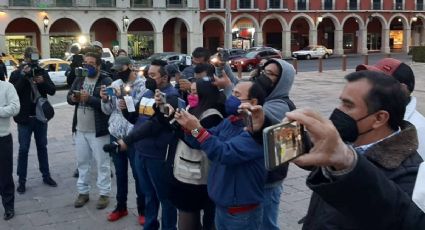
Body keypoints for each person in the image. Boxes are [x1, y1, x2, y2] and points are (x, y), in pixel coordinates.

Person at [299, 70, 422, 229]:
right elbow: (316, 158)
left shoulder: (410, 177)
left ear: (379, 118)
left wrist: (347, 163)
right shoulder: (349, 141)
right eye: (341, 102)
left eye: (348, 105)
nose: (338, 110)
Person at [174, 81, 268, 230]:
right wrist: (188, 128)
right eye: (232, 93)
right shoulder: (231, 121)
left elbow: (224, 152)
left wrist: (197, 129)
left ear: (253, 102)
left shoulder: (256, 134)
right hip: (223, 205)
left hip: (240, 212)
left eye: (237, 95)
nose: (231, 98)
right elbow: (208, 137)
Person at [118, 60, 179, 230]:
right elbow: (136, 119)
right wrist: (125, 108)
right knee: (148, 195)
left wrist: (128, 140)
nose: (148, 79)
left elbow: (154, 126)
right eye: (147, 75)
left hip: (158, 156)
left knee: (165, 198)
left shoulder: (171, 96)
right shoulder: (147, 93)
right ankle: (150, 226)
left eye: (152, 75)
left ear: (165, 77)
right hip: (141, 152)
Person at [168, 79, 224, 230]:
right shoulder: (190, 108)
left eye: (195, 93)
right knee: (187, 214)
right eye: (190, 92)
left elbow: (197, 140)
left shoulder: (212, 115)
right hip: (184, 170)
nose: (190, 96)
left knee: (203, 218)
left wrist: (182, 128)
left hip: (199, 175)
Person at [100, 56, 147, 224]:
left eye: (121, 69)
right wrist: (105, 99)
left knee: (138, 174)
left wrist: (125, 100)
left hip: (133, 136)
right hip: (115, 133)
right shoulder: (115, 84)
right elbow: (108, 110)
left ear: (130, 66)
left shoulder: (143, 85)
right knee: (120, 174)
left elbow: (141, 111)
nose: (119, 73)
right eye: (116, 70)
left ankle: (143, 209)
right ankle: (121, 207)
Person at [251, 58, 296, 230]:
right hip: (260, 172)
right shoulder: (266, 98)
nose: (264, 76)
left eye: (270, 74)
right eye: (264, 71)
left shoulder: (280, 104)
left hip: (270, 176)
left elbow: (247, 114)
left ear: (282, 81)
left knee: (267, 223)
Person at [67, 52, 113, 209]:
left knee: (103, 163)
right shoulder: (79, 78)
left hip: (98, 130)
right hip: (80, 129)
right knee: (82, 162)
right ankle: (83, 192)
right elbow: (69, 96)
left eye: (91, 63)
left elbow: (108, 105)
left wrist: (90, 99)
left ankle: (104, 194)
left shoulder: (105, 80)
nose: (87, 65)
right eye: (85, 62)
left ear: (98, 65)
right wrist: (73, 98)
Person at [9, 47, 57, 194]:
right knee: (23, 150)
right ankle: (21, 181)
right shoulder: (16, 73)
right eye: (31, 57)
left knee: (42, 146)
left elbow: (52, 90)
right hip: (25, 119)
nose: (33, 61)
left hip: (40, 117)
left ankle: (46, 175)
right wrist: (23, 76)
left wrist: (42, 81)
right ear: (25, 58)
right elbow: (13, 92)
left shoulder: (42, 72)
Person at [0, 80, 20, 220]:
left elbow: (15, 108)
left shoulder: (7, 87)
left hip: (2, 137)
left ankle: (8, 206)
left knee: (5, 175)